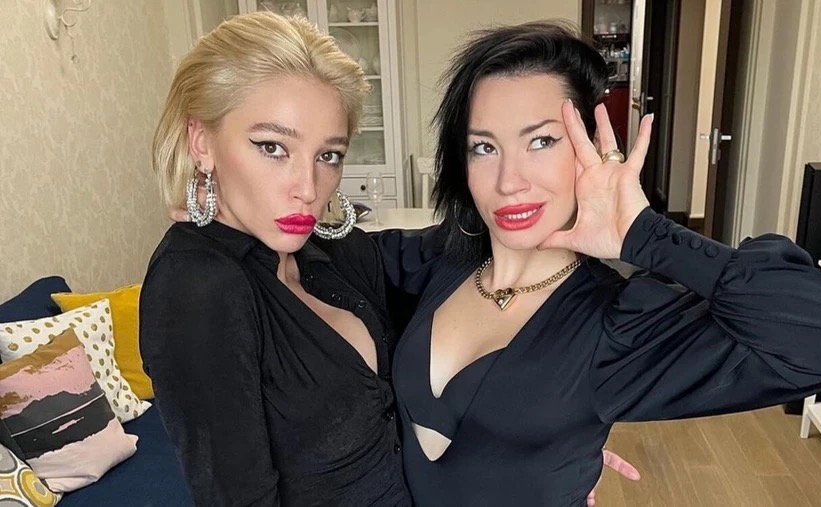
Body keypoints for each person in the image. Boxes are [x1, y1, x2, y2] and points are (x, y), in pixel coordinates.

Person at [371, 21, 821, 506]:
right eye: (484, 147)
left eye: (541, 141)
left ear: (591, 146)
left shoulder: (621, 325)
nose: (508, 181)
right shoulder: (436, 262)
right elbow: (327, 268)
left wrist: (648, 235)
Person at [142, 12, 634, 506]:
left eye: (328, 155)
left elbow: (474, 247)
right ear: (202, 142)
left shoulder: (328, 252)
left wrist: (546, 447)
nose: (307, 188)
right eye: (272, 147)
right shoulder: (196, 285)